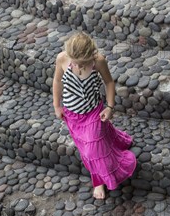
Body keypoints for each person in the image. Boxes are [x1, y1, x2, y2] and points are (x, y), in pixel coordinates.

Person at [53, 32, 137, 199]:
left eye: (81, 62)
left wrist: (110, 107)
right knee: (85, 146)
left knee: (92, 149)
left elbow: (109, 82)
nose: (77, 65)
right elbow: (57, 81)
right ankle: (118, 144)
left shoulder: (98, 61)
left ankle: (98, 181)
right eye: (74, 61)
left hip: (92, 111)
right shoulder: (62, 59)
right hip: (72, 114)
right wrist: (57, 105)